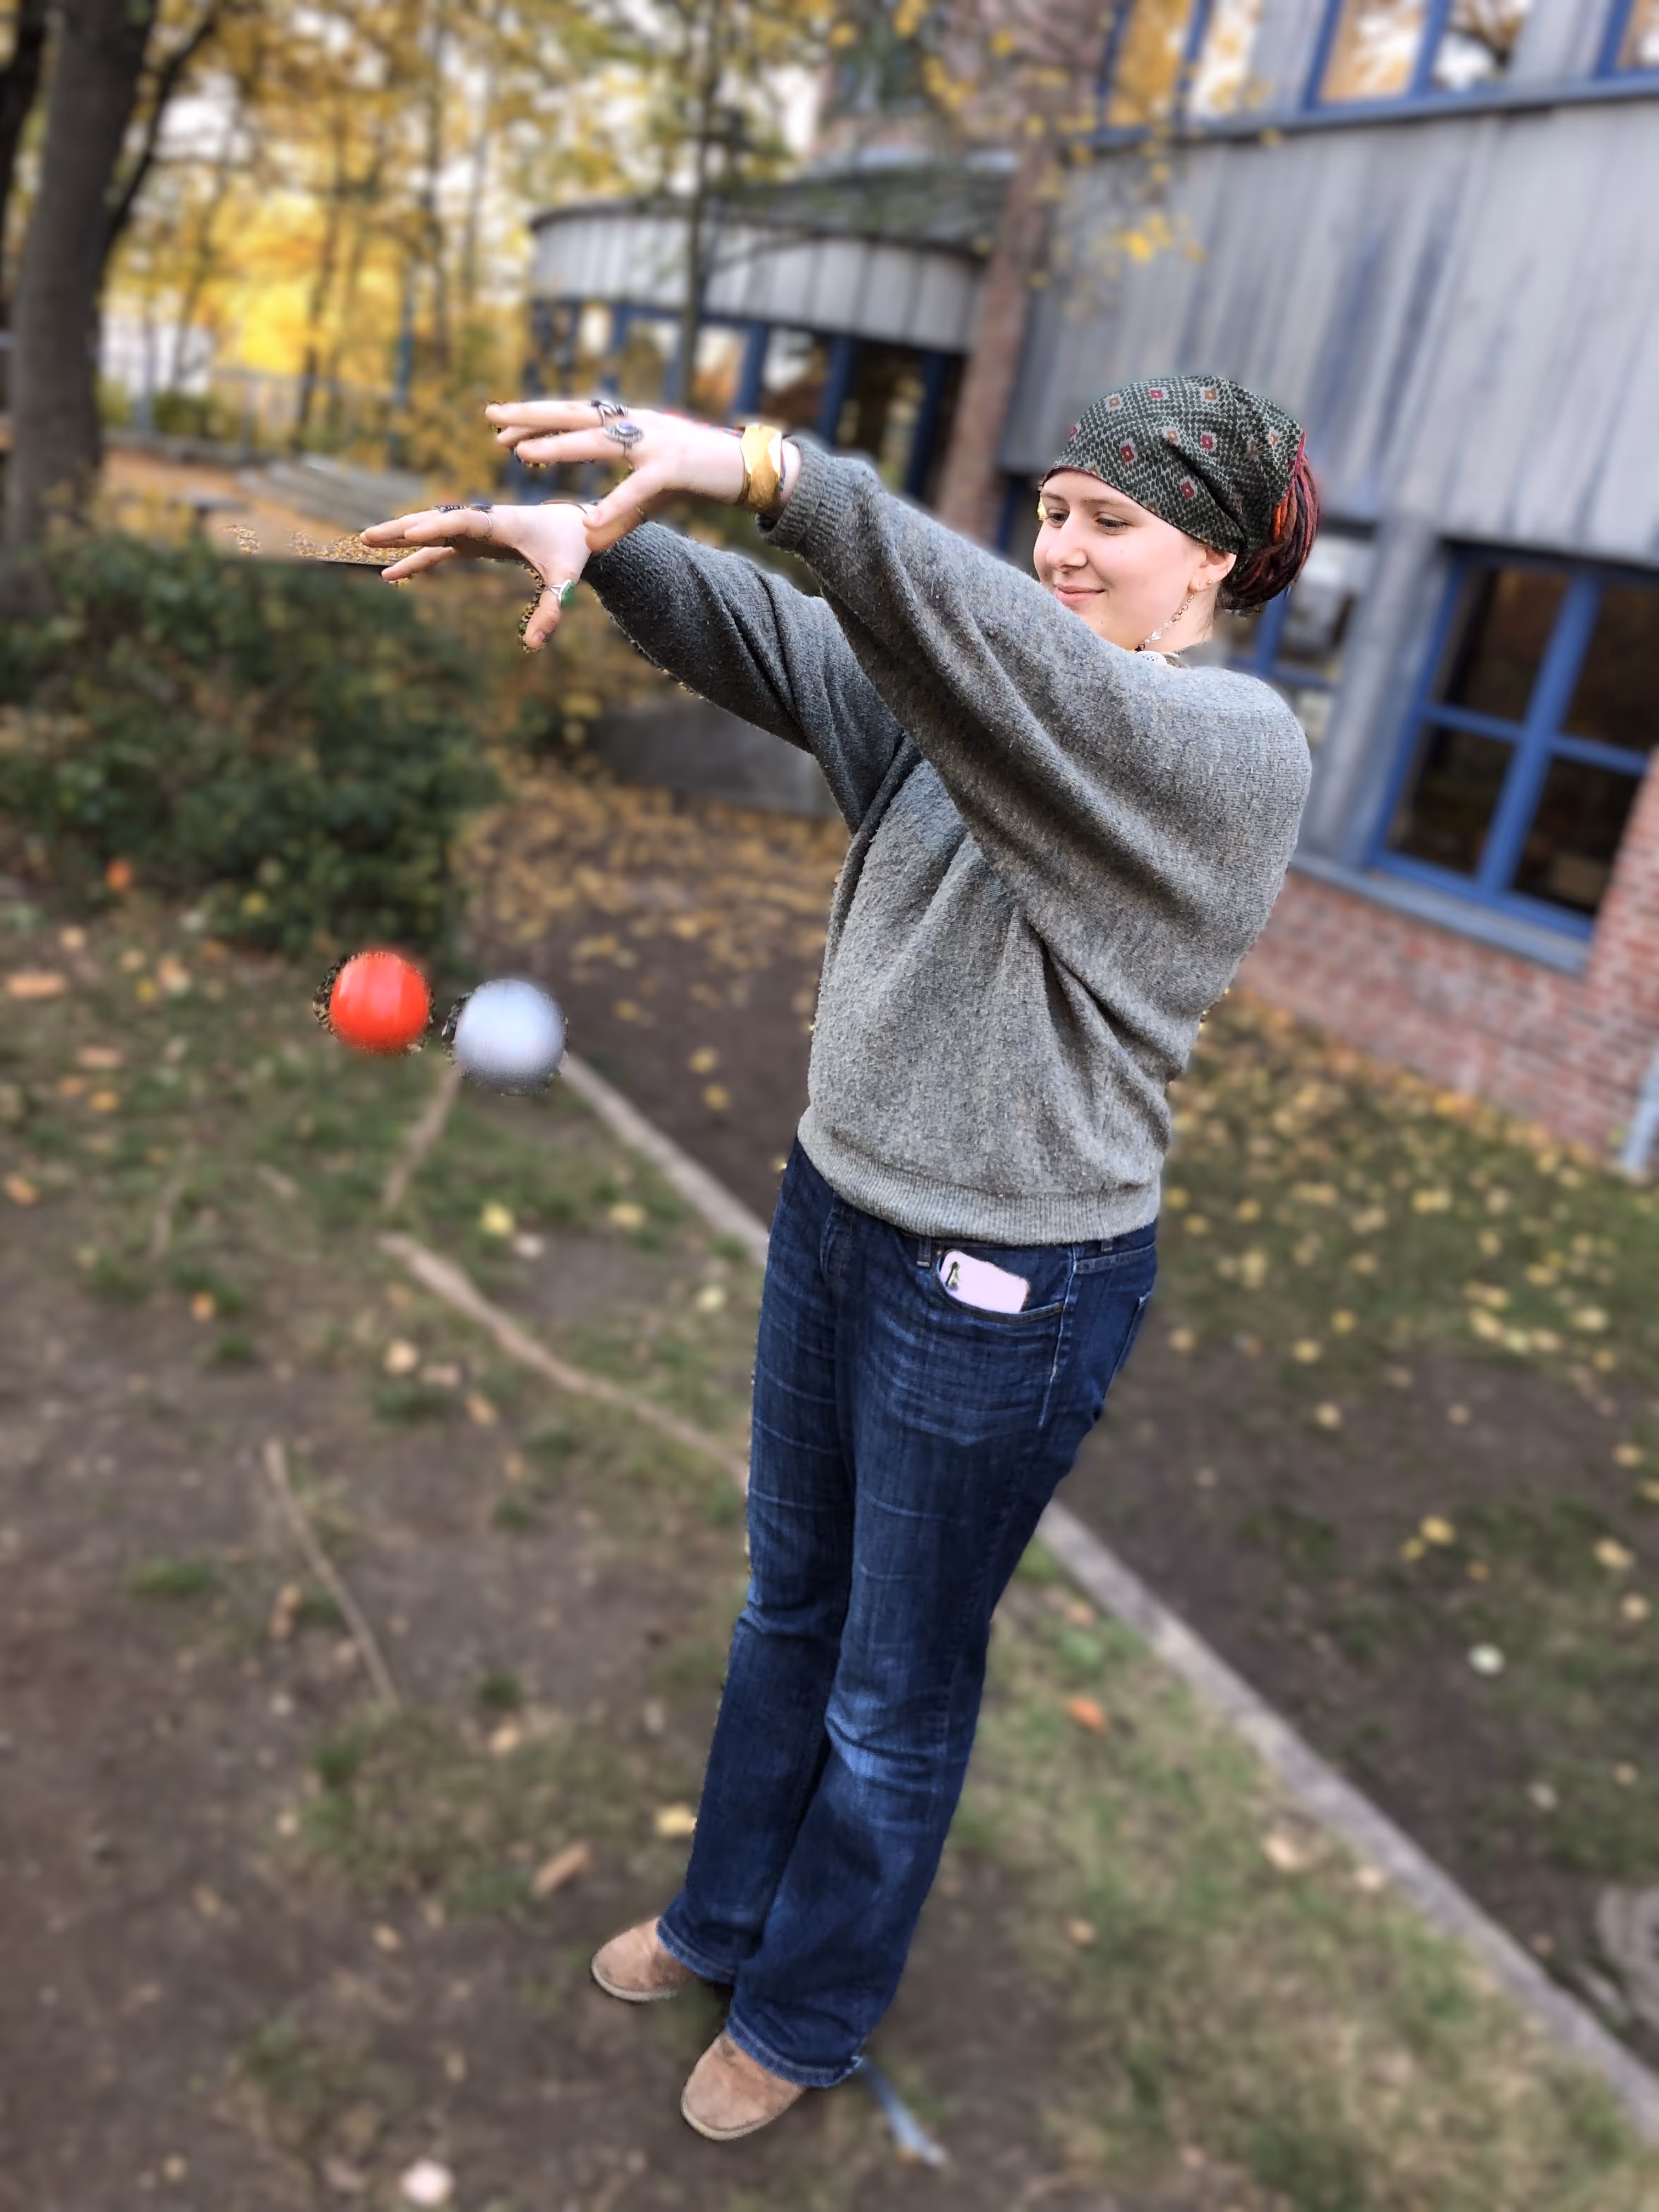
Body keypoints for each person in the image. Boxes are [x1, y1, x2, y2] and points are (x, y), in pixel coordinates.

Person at [362, 373, 1318, 2144]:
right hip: (835, 1209)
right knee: (783, 1612)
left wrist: (777, 471)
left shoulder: (1228, 754)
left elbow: (970, 643)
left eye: (1114, 521)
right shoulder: (978, 697)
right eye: (1054, 509)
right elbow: (815, 651)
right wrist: (609, 547)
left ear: (1219, 559)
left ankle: (807, 2012)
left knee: (893, 1694)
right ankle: (726, 1920)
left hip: (1008, 1287)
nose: (1064, 544)